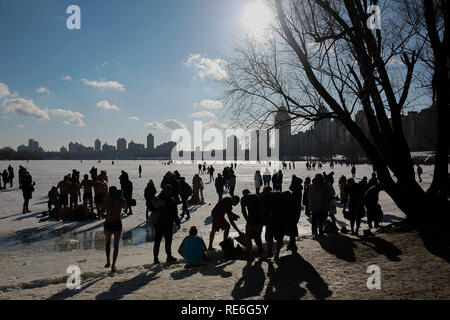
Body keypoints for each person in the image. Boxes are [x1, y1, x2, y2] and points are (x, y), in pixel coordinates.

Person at [150, 184, 181, 264]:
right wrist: (177, 222)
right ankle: (168, 256)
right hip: (167, 223)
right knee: (167, 241)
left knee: (158, 241)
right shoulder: (171, 200)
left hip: (159, 224)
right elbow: (175, 214)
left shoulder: (158, 199)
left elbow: (152, 209)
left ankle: (156, 258)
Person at [101, 186, 126, 273]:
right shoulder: (120, 200)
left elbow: (101, 213)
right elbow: (124, 207)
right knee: (116, 245)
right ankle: (113, 265)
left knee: (107, 243)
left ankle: (108, 261)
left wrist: (106, 216)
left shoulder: (106, 201)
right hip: (117, 223)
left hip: (108, 223)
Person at [241, 189, 265, 259]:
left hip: (251, 219)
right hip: (260, 219)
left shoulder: (244, 198)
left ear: (244, 193)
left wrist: (247, 219)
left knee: (248, 237)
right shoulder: (257, 196)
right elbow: (262, 208)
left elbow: (243, 210)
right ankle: (261, 252)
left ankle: (250, 254)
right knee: (257, 236)